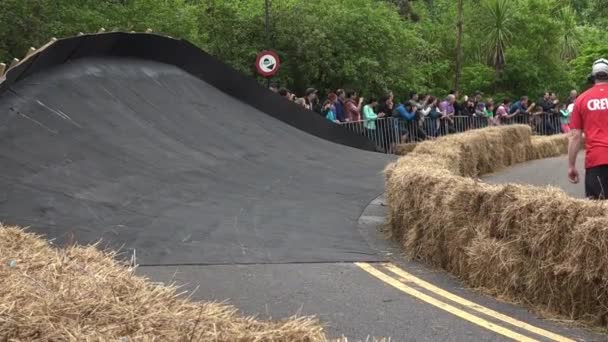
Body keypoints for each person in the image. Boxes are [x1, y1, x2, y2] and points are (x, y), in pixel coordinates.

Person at [568, 58, 608, 200]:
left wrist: (571, 165)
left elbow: (575, 136)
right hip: (597, 160)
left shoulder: (582, 99)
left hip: (596, 161)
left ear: (593, 76)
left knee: (597, 213)